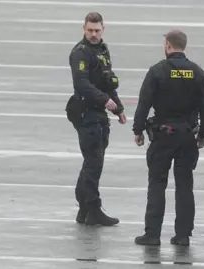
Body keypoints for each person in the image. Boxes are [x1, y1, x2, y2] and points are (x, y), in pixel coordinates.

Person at [132, 29, 204, 246]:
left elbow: (144, 103)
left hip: (163, 135)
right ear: (183, 46)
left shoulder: (157, 71)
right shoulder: (197, 73)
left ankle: (152, 234)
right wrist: (203, 133)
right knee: (185, 185)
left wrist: (138, 130)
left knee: (157, 184)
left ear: (168, 45)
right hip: (187, 135)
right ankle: (183, 235)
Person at [65, 12, 127, 226]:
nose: (93, 34)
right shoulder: (80, 53)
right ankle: (92, 209)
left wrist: (118, 108)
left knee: (92, 161)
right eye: (90, 30)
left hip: (99, 113)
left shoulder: (102, 50)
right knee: (94, 162)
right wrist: (104, 100)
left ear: (103, 29)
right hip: (86, 113)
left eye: (97, 30)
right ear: (83, 29)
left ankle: (84, 208)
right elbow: (82, 83)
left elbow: (108, 82)